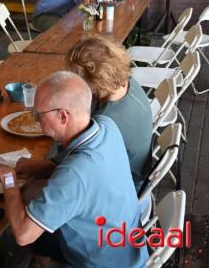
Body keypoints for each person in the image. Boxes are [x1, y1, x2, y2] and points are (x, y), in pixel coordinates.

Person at [0, 71, 148, 268]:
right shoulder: (106, 127)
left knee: (18, 234)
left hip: (100, 266)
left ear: (63, 116)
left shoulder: (74, 176)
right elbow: (77, 172)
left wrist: (7, 178)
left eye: (38, 114)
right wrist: (36, 167)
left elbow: (22, 234)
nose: (35, 119)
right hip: (125, 249)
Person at [65, 35, 153, 192]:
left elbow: (75, 167)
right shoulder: (128, 84)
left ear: (93, 82)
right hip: (137, 170)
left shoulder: (105, 121)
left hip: (123, 185)